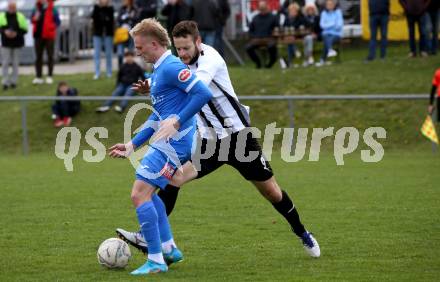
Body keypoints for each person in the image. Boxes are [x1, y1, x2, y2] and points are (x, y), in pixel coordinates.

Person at [116, 20, 321, 259]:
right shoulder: (180, 65)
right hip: (209, 143)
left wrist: (154, 85)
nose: (182, 54)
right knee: (173, 178)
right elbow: (176, 76)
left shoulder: (210, 59)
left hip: (238, 139)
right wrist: (151, 84)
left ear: (198, 43)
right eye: (178, 49)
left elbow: (194, 85)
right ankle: (153, 238)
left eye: (186, 49)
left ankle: (302, 232)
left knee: (272, 192)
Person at [108, 18, 213, 275]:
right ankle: (168, 249)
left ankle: (155, 260)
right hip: (168, 143)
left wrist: (176, 122)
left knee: (139, 194)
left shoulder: (171, 67)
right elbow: (158, 116)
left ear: (154, 44)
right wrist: (132, 144)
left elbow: (203, 93)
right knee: (149, 194)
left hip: (174, 144)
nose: (137, 51)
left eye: (140, 47)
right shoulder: (159, 72)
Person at [31, 0, 60, 85]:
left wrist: (51, 27)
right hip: (38, 36)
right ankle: (38, 77)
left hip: (49, 36)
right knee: (38, 57)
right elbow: (32, 20)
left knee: (50, 56)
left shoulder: (53, 8)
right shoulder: (36, 8)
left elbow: (57, 22)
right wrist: (34, 19)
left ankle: (49, 76)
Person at [0, 0, 28, 90]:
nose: (11, 9)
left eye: (13, 7)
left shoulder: (20, 16)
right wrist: (5, 32)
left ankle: (14, 82)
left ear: (16, 8)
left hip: (17, 43)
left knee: (15, 64)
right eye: (10, 7)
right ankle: (5, 83)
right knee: (5, 63)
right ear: (7, 7)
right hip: (5, 43)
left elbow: (25, 30)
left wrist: (16, 33)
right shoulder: (2, 16)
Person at [246, 0, 279, 69]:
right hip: (257, 39)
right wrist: (253, 37)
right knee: (248, 47)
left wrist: (274, 36)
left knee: (272, 46)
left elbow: (277, 28)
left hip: (269, 39)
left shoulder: (273, 17)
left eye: (263, 8)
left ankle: (270, 64)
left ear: (267, 7)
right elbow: (250, 30)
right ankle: (258, 63)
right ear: (259, 8)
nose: (262, 10)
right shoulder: (255, 18)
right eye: (261, 8)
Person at [91, 0, 114, 80]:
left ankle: (109, 72)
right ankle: (97, 73)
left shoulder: (110, 8)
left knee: (108, 54)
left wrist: (104, 19)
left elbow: (110, 21)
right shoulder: (96, 8)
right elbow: (95, 20)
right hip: (97, 34)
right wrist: (104, 19)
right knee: (97, 54)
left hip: (108, 34)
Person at [316, 0, 343, 66]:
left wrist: (328, 26)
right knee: (326, 37)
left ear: (334, 5)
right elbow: (322, 25)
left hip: (336, 34)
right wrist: (333, 24)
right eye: (328, 4)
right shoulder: (324, 13)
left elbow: (339, 26)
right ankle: (330, 50)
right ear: (326, 5)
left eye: (331, 4)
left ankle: (323, 59)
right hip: (326, 34)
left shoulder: (338, 12)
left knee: (327, 39)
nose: (330, 6)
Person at [116, 0, 137, 68]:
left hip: (131, 33)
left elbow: (136, 19)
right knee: (120, 53)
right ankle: (121, 68)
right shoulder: (122, 9)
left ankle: (130, 68)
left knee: (130, 52)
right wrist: (127, 17)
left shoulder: (134, 9)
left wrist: (129, 18)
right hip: (122, 33)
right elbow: (118, 19)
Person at [283, 3, 304, 67]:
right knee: (290, 41)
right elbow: (284, 27)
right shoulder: (287, 19)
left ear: (297, 11)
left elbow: (302, 27)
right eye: (291, 11)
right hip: (289, 36)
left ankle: (290, 61)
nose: (292, 12)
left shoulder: (300, 18)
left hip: (298, 35)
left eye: (294, 11)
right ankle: (295, 50)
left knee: (290, 41)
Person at [302, 2, 320, 66]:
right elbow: (303, 29)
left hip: (315, 36)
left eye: (311, 9)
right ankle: (310, 57)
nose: (310, 11)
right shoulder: (304, 18)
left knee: (308, 39)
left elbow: (319, 28)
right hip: (306, 35)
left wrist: (316, 34)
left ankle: (306, 59)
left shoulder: (317, 18)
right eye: (308, 9)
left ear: (314, 10)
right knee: (308, 38)